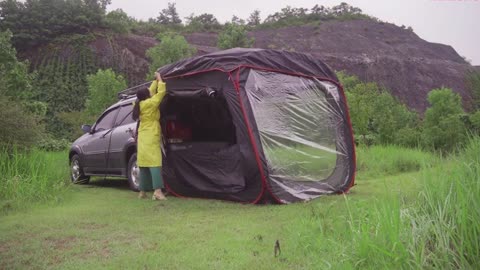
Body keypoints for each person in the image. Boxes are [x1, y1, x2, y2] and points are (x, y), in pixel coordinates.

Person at [132, 72, 167, 200]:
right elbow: (161, 93)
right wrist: (160, 80)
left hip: (142, 135)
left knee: (144, 163)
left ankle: (142, 191)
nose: (150, 91)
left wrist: (154, 81)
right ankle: (157, 191)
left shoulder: (138, 104)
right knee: (155, 162)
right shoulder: (150, 104)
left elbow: (150, 91)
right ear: (147, 96)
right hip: (151, 133)